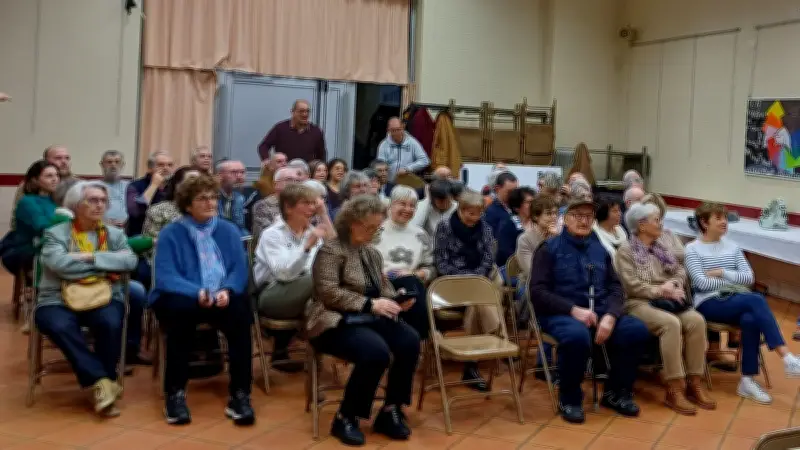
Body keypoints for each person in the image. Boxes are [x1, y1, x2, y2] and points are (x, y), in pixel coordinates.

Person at [307, 195, 420, 446]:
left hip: (367, 316)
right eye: (368, 227)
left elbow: (382, 286)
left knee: (409, 341)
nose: (373, 232)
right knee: (375, 351)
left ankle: (391, 409)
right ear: (352, 223)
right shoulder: (331, 250)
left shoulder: (370, 252)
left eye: (376, 227)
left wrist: (397, 298)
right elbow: (328, 293)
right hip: (333, 320)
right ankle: (345, 417)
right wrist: (371, 304)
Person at [528, 198, 650, 424]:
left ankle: (616, 393)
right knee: (577, 335)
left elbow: (615, 287)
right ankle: (570, 398)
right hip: (560, 314)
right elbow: (537, 293)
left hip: (601, 311)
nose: (583, 221)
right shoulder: (548, 249)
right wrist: (573, 310)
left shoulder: (599, 249)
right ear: (565, 219)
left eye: (588, 217)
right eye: (577, 216)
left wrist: (612, 316)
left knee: (636, 330)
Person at [150, 174, 254, 426]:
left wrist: (226, 290)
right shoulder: (171, 233)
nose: (210, 203)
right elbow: (165, 276)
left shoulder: (228, 230)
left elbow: (239, 270)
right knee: (180, 316)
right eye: (202, 199)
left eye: (213, 198)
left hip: (220, 294)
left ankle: (240, 394)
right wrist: (197, 292)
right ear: (187, 204)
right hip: (184, 296)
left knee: (241, 314)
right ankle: (174, 394)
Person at [35, 181, 138, 417]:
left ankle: (102, 384)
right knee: (58, 324)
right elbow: (59, 265)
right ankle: (103, 381)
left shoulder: (114, 234)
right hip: (57, 297)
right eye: (92, 200)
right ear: (75, 205)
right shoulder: (55, 233)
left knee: (110, 321)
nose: (99, 205)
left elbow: (130, 262)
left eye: (103, 200)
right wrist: (106, 263)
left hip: (104, 294)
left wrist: (88, 257)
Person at [685, 202, 800, 404]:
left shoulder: (733, 246)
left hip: (736, 300)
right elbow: (701, 283)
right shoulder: (692, 249)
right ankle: (787, 357)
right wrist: (731, 280)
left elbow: (749, 278)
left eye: (724, 218)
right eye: (718, 218)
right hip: (709, 303)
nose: (724, 222)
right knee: (755, 299)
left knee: (750, 318)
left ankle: (747, 381)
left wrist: (721, 272)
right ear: (704, 222)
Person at [616, 202, 715, 415]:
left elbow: (680, 270)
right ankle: (674, 388)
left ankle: (695, 382)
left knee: (696, 320)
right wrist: (661, 290)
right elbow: (631, 285)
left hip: (668, 298)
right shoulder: (625, 251)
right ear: (641, 226)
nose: (660, 224)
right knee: (671, 324)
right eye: (656, 220)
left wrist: (676, 285)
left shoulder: (661, 247)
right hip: (638, 302)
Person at [253, 183, 330, 372]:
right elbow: (283, 274)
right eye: (306, 203)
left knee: (330, 279)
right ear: (288, 207)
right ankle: (322, 342)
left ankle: (316, 345)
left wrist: (324, 215)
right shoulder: (271, 234)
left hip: (306, 293)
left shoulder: (311, 232)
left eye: (314, 203)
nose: (312, 208)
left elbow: (337, 250)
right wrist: (306, 248)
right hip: (272, 295)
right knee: (320, 280)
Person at [434, 190, 501, 391]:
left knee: (476, 302)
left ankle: (471, 365)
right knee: (481, 297)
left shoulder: (485, 228)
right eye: (470, 213)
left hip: (478, 280)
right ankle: (495, 331)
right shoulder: (445, 227)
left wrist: (476, 276)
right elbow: (440, 260)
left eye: (478, 213)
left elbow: (489, 257)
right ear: (461, 210)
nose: (474, 218)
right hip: (451, 283)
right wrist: (463, 278)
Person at [373, 186, 433, 338]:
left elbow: (430, 268)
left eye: (412, 206)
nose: (408, 209)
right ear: (390, 205)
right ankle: (420, 338)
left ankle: (415, 340)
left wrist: (414, 273)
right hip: (380, 285)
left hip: (411, 286)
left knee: (410, 282)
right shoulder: (375, 231)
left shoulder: (421, 234)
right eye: (402, 204)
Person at [2, 160, 60, 277]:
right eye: (49, 176)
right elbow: (42, 227)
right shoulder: (27, 202)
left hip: (49, 247)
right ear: (35, 180)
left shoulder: (55, 201)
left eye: (56, 175)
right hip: (29, 251)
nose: (55, 179)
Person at [11, 146, 78, 230]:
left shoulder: (77, 184)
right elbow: (17, 218)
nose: (64, 161)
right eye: (58, 158)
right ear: (46, 160)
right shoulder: (30, 186)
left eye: (67, 158)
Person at [142, 167, 201, 256]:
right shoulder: (159, 210)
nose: (198, 186)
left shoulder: (207, 210)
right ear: (177, 185)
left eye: (200, 182)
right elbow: (150, 246)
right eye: (192, 181)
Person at [257, 100, 326, 162]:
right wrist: (267, 161)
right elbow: (263, 146)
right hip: (283, 172)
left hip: (306, 173)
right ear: (292, 112)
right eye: (301, 111)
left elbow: (321, 155)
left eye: (307, 111)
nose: (305, 114)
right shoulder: (280, 128)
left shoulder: (316, 131)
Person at [126, 151, 175, 236]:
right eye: (161, 165)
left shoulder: (175, 187)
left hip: (169, 235)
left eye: (170, 165)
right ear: (150, 168)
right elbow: (135, 212)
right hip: (140, 236)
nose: (166, 168)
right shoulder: (135, 186)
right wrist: (154, 185)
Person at [516, 194, 559, 282]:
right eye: (549, 213)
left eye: (555, 213)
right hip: (531, 285)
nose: (554, 217)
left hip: (558, 283)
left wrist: (557, 238)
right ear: (536, 216)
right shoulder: (525, 239)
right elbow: (532, 272)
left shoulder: (558, 236)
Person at [252, 167, 302, 239]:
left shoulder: (303, 205)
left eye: (297, 181)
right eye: (289, 180)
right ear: (276, 184)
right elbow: (267, 235)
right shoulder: (262, 206)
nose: (294, 184)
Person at [377, 117, 430, 182]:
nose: (396, 133)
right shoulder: (383, 144)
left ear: (403, 128)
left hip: (407, 183)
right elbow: (380, 164)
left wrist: (408, 168)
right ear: (388, 130)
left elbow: (425, 161)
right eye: (393, 130)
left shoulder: (412, 142)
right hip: (389, 183)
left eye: (398, 129)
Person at [483, 172, 520, 264]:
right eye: (510, 192)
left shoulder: (520, 208)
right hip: (503, 262)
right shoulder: (490, 212)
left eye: (516, 191)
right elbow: (491, 241)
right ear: (497, 189)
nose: (514, 195)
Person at [496, 186, 536, 267]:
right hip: (512, 269)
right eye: (529, 202)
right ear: (517, 207)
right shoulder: (508, 225)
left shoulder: (538, 222)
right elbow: (506, 252)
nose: (533, 205)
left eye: (534, 202)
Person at [100, 150, 129, 229]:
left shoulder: (131, 186)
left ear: (122, 165)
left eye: (117, 162)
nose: (113, 165)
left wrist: (127, 222)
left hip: (127, 229)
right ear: (102, 165)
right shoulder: (94, 186)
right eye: (109, 162)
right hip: (100, 228)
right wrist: (104, 222)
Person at [592, 195, 627, 260]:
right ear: (603, 213)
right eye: (615, 211)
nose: (619, 214)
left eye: (619, 210)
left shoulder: (620, 229)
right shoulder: (594, 234)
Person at [216, 159, 247, 231]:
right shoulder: (211, 197)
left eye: (242, 172)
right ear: (220, 175)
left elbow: (240, 228)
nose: (239, 176)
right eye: (233, 172)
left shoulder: (240, 197)